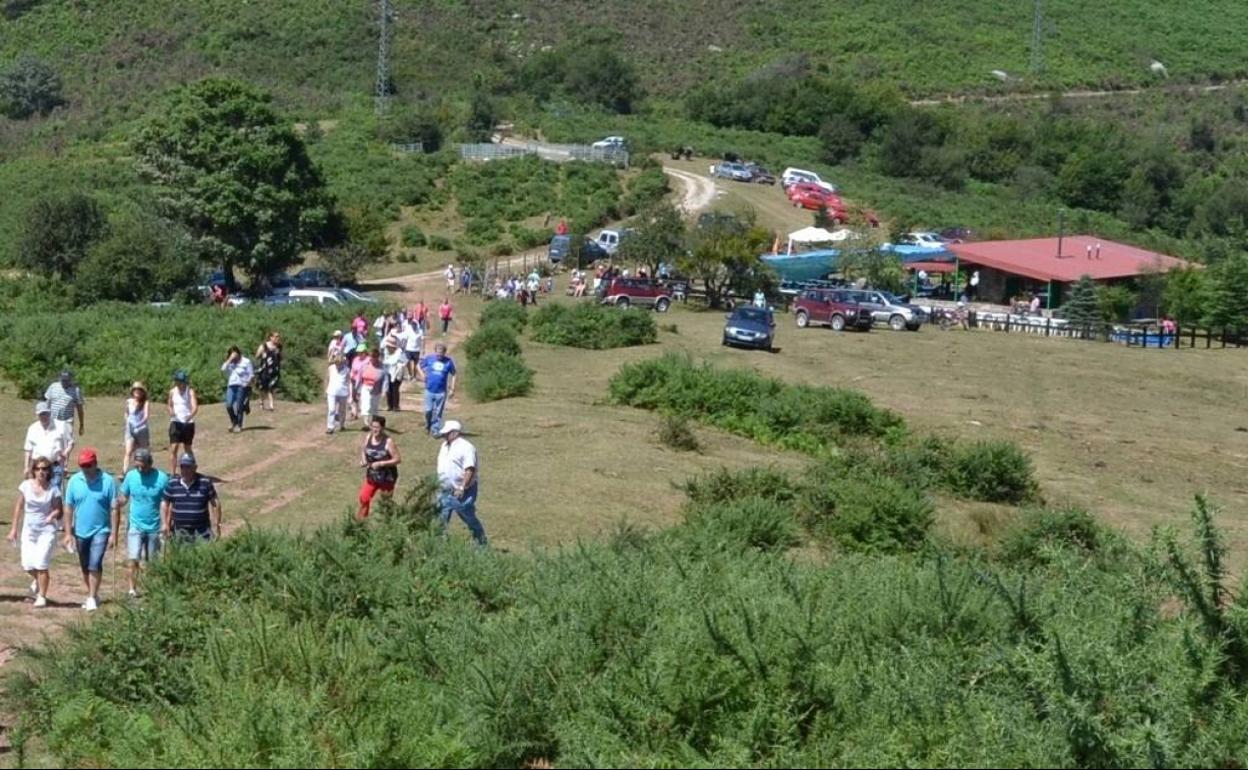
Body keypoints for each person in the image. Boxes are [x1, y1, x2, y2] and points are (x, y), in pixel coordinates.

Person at [62, 447, 119, 612]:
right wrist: (67, 533)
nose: (85, 469)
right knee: (85, 566)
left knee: (95, 564)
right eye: (82, 466)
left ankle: (92, 597)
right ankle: (92, 593)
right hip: (80, 531)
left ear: (95, 464)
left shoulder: (108, 481)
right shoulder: (74, 481)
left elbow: (114, 509)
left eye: (88, 465)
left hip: (101, 530)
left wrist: (114, 534)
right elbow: (68, 508)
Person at [7, 455, 63, 608]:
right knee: (27, 565)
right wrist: (13, 529)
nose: (41, 472)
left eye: (44, 469)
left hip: (46, 531)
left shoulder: (53, 489)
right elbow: (19, 507)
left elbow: (59, 509)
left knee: (41, 564)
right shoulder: (26, 486)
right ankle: (38, 581)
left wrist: (52, 515)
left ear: (49, 471)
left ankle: (42, 596)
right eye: (38, 469)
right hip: (29, 530)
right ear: (33, 470)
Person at [117, 448, 166, 598]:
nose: (140, 468)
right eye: (137, 465)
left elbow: (165, 502)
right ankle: (132, 589)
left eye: (142, 465)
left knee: (152, 561)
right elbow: (124, 497)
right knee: (133, 557)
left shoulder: (162, 478)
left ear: (149, 463)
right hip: (135, 525)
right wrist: (117, 503)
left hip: (154, 526)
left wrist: (166, 523)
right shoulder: (131, 476)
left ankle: (152, 588)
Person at [435, 420, 486, 546]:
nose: (443, 436)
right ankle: (438, 544)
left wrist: (462, 486)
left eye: (446, 433)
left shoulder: (467, 448)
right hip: (445, 489)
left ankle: (480, 542)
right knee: (441, 517)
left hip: (461, 491)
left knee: (467, 515)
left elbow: (469, 469)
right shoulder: (444, 446)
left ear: (454, 433)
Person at [161, 453, 221, 543]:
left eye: (188, 467)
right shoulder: (172, 483)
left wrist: (217, 522)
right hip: (179, 533)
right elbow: (165, 503)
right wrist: (165, 523)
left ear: (195, 467)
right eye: (182, 467)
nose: (185, 470)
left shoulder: (205, 482)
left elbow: (215, 503)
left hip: (202, 533)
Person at [356, 415, 400, 519]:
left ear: (383, 428)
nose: (374, 430)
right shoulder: (368, 437)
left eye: (377, 427)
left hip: (387, 477)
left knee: (385, 503)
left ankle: (388, 525)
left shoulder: (388, 441)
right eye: (372, 426)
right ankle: (360, 524)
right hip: (372, 475)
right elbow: (363, 449)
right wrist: (364, 460)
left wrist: (381, 463)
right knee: (364, 497)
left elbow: (397, 459)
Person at [24, 401, 72, 490]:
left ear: (50, 413)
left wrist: (65, 459)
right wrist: (26, 467)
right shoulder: (32, 428)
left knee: (54, 492)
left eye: (45, 413)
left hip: (55, 466)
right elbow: (28, 450)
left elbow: (70, 443)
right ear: (37, 415)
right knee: (38, 491)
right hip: (37, 467)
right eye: (41, 414)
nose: (43, 416)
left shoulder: (61, 426)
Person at [418, 342, 458, 436]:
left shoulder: (448, 362)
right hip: (429, 390)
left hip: (441, 391)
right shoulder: (429, 359)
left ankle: (435, 429)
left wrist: (452, 388)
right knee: (428, 410)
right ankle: (428, 425)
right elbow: (418, 366)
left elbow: (454, 374)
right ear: (435, 352)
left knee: (438, 412)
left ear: (444, 353)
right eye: (438, 353)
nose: (439, 355)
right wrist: (423, 375)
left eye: (441, 353)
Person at [167, 370, 199, 473]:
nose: (180, 384)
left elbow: (195, 406)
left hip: (187, 423)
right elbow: (169, 405)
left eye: (181, 382)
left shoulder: (190, 391)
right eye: (178, 381)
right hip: (175, 422)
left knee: (187, 447)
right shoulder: (172, 391)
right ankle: (173, 473)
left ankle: (192, 468)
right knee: (174, 447)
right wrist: (171, 412)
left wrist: (190, 415)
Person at [120, 382, 151, 477]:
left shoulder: (146, 402)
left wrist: (138, 424)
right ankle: (124, 472)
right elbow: (126, 413)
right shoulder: (129, 401)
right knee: (128, 451)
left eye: (139, 390)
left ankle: (144, 469)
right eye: (135, 390)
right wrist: (127, 422)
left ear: (142, 392)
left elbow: (146, 416)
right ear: (133, 391)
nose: (137, 392)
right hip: (130, 429)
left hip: (142, 430)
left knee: (143, 452)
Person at [44, 369, 85, 441]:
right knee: (52, 443)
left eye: (67, 380)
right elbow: (47, 404)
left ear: (71, 379)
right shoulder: (53, 386)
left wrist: (81, 425)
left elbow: (80, 409)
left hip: (67, 421)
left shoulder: (76, 390)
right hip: (53, 420)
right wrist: (45, 421)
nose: (65, 382)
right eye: (63, 380)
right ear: (59, 378)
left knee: (66, 443)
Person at [221, 345, 255, 434]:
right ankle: (234, 421)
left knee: (239, 407)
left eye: (235, 354)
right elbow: (223, 369)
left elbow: (251, 374)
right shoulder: (230, 363)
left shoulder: (246, 361)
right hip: (231, 385)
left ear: (238, 353)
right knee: (228, 405)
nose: (234, 357)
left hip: (241, 385)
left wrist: (247, 383)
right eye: (232, 355)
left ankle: (239, 425)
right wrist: (229, 360)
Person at [254, 331, 282, 412]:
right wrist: (262, 354)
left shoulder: (279, 346)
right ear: (271, 337)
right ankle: (261, 402)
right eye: (275, 336)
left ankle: (271, 405)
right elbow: (256, 356)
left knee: (271, 387)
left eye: (278, 336)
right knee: (262, 387)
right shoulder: (264, 346)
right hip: (264, 369)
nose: (277, 338)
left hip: (274, 370)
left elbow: (280, 357)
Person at [357, 347, 384, 428]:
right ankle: (366, 424)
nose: (373, 358)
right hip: (365, 387)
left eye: (375, 357)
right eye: (372, 356)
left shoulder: (381, 367)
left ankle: (373, 423)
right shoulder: (365, 365)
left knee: (374, 406)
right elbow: (359, 378)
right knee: (365, 405)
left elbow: (385, 379)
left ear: (378, 357)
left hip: (376, 389)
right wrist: (357, 389)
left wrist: (384, 391)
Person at [325, 355, 350, 435]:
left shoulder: (347, 370)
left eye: (339, 363)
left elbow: (348, 381)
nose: (338, 365)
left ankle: (342, 425)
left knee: (342, 410)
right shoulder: (331, 368)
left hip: (343, 392)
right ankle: (330, 427)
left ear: (343, 362)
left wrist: (349, 392)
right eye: (336, 363)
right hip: (331, 392)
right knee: (331, 409)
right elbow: (327, 379)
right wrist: (325, 389)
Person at [383, 337, 406, 412]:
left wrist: (398, 366)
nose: (388, 348)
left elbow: (402, 362)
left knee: (395, 389)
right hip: (389, 372)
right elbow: (386, 361)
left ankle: (396, 406)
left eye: (389, 346)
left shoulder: (399, 353)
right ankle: (390, 405)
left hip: (397, 373)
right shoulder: (386, 352)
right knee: (389, 389)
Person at [402, 316, 425, 380]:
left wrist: (423, 349)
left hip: (416, 350)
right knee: (407, 362)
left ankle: (414, 376)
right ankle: (410, 374)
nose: (413, 326)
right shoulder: (408, 330)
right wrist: (403, 347)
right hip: (408, 349)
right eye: (412, 325)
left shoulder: (420, 331)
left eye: (414, 325)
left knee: (416, 364)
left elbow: (423, 340)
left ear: (416, 325)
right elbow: (405, 339)